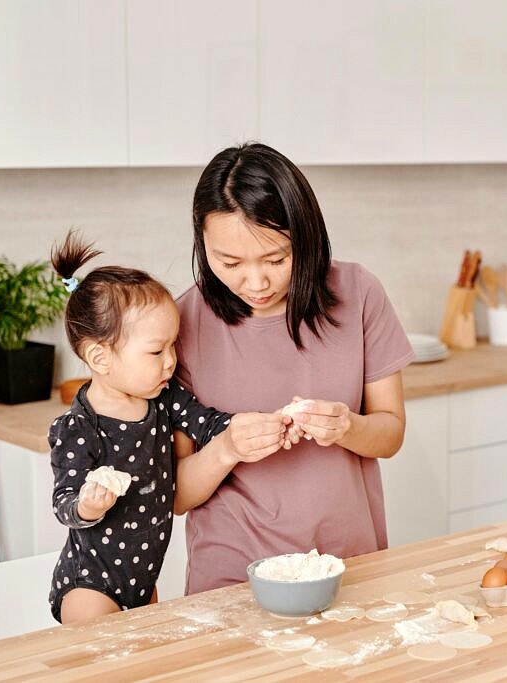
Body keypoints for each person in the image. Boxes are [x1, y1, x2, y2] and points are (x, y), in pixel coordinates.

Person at [172, 142, 414, 594]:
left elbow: (391, 434)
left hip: (348, 565)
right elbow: (178, 494)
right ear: (202, 244)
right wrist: (227, 447)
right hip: (230, 580)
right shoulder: (182, 322)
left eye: (276, 259)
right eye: (229, 262)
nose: (256, 282)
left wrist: (346, 426)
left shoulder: (358, 292)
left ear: (306, 235)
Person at [47, 232, 281, 623]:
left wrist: (253, 425)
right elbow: (64, 503)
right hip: (89, 584)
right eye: (157, 351)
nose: (171, 361)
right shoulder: (77, 427)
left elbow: (208, 423)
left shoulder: (165, 400)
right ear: (99, 357)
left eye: (173, 346)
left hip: (143, 580)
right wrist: (88, 504)